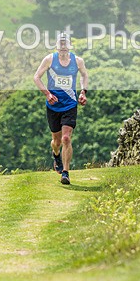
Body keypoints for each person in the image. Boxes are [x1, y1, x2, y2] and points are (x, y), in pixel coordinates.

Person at [33, 34, 88, 185]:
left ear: (70, 46)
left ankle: (65, 172)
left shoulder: (77, 61)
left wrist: (83, 92)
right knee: (56, 141)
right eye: (60, 44)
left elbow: (84, 75)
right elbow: (36, 77)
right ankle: (56, 155)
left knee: (66, 138)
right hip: (53, 105)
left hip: (70, 105)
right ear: (56, 46)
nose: (63, 46)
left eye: (65, 44)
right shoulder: (50, 59)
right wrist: (47, 93)